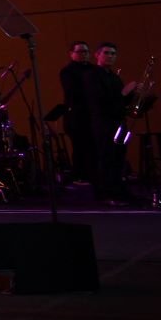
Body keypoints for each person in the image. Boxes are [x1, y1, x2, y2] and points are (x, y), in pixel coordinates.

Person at [87, 42, 139, 204]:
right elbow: (98, 100)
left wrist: (133, 94)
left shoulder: (114, 76)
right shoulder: (92, 75)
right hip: (103, 122)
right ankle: (105, 193)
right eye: (107, 53)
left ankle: (118, 190)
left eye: (113, 54)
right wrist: (124, 93)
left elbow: (121, 101)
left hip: (118, 121)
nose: (110, 56)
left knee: (118, 158)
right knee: (107, 157)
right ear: (97, 55)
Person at [58, 41, 98, 187]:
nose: (84, 54)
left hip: (93, 114)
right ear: (71, 54)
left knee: (94, 146)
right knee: (80, 146)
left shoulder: (94, 69)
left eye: (86, 51)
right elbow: (73, 92)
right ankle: (80, 175)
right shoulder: (67, 71)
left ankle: (94, 174)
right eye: (80, 51)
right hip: (76, 116)